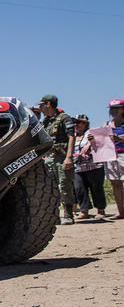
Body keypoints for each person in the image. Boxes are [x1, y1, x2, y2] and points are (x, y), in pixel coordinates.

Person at [38, 94, 76, 225]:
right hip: (48, 158)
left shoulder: (64, 118)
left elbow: (71, 137)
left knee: (64, 186)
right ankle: (54, 215)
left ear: (48, 104)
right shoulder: (45, 121)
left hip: (62, 157)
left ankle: (68, 214)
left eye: (41, 105)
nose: (40, 107)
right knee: (50, 188)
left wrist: (69, 157)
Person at [90, 99, 124, 219]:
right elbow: (100, 141)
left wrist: (119, 138)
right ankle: (121, 211)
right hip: (111, 156)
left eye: (117, 108)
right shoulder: (107, 125)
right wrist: (92, 139)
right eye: (112, 108)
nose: (114, 111)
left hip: (123, 154)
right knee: (115, 184)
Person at [71, 115, 107, 220]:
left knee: (96, 188)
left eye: (78, 122)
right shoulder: (72, 136)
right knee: (79, 189)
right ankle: (84, 211)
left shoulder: (91, 133)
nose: (75, 125)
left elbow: (103, 140)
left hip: (94, 166)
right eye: (74, 122)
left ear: (85, 124)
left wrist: (91, 143)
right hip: (77, 167)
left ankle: (100, 210)